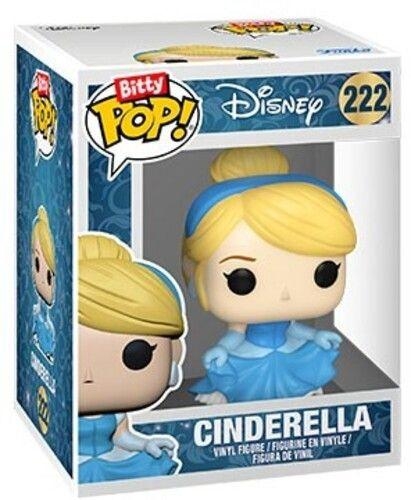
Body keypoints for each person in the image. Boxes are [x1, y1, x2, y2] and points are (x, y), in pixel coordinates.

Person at [182, 146, 356, 405]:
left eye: (324, 273)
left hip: (288, 355)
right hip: (251, 358)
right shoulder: (242, 322)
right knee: (242, 387)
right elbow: (236, 334)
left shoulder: (289, 319)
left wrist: (315, 336)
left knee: (303, 372)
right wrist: (222, 349)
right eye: (241, 280)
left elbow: (293, 328)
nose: (285, 293)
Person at [78, 233, 187, 483]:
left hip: (112, 462)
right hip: (77, 466)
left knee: (150, 465)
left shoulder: (115, 416)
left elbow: (122, 437)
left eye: (136, 356)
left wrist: (145, 444)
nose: (88, 376)